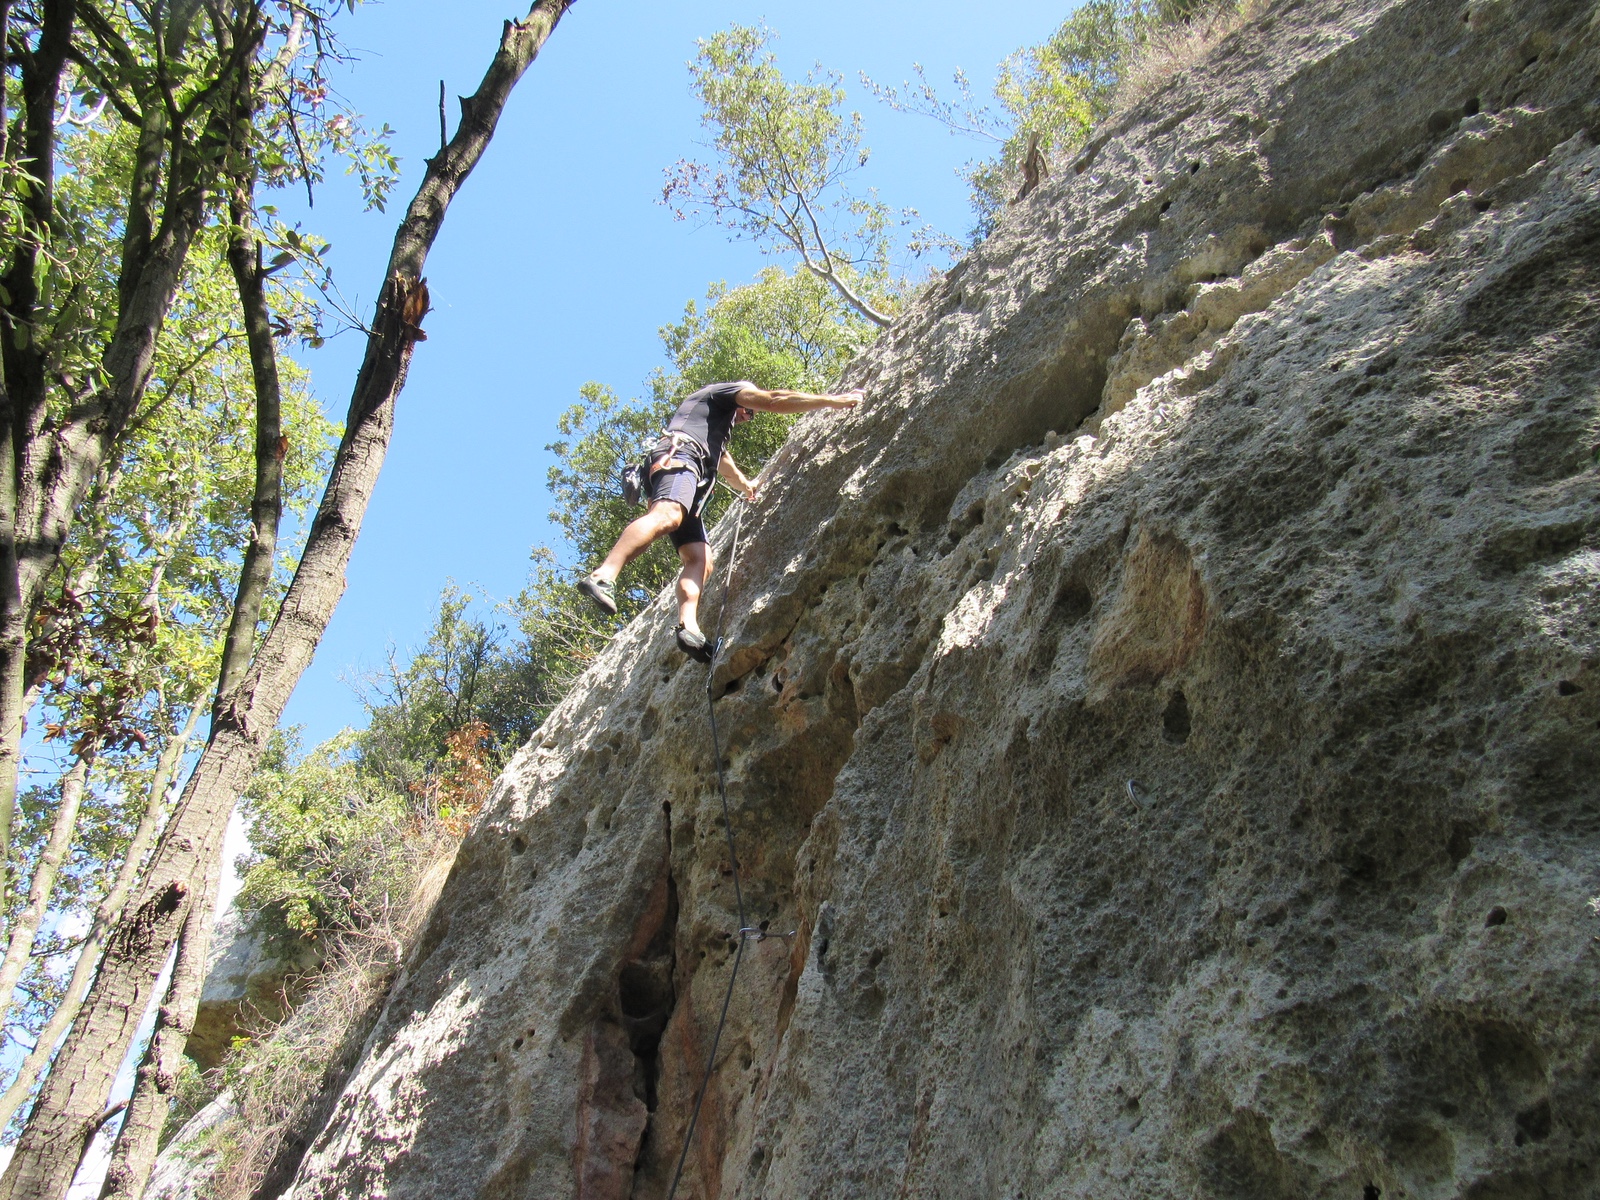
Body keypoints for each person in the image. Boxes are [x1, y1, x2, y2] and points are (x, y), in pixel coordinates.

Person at [578, 380, 863, 661]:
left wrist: (747, 486)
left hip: (691, 472)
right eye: (749, 409)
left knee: (699, 558)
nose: (748, 416)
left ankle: (688, 629)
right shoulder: (722, 393)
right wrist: (835, 401)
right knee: (667, 515)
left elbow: (726, 468)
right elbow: (775, 400)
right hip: (679, 458)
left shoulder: (713, 433)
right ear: (742, 396)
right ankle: (603, 576)